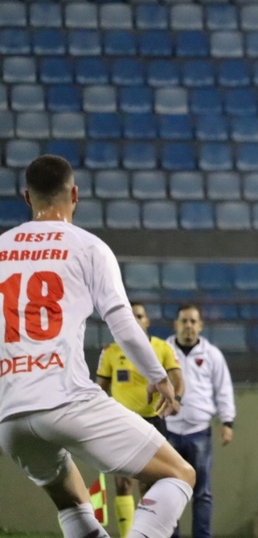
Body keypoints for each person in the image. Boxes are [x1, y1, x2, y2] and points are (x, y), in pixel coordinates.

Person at [0, 155, 194, 538]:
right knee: (178, 473)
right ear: (75, 195)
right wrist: (158, 376)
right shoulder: (88, 247)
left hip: (10, 415)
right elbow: (121, 322)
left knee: (73, 503)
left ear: (26, 197)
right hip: (65, 399)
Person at [96, 302, 185, 537]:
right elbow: (99, 388)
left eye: (139, 316)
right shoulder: (111, 352)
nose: (135, 320)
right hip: (121, 423)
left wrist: (176, 400)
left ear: (147, 321)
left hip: (153, 422)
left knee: (150, 486)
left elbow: (178, 379)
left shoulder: (162, 348)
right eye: (130, 316)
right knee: (122, 483)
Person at [165, 304, 236, 538]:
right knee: (169, 491)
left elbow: (223, 389)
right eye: (184, 321)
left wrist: (227, 422)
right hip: (168, 432)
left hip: (200, 432)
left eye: (193, 321)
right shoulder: (163, 351)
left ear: (200, 326)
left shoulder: (212, 354)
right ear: (176, 324)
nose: (188, 326)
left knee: (202, 492)